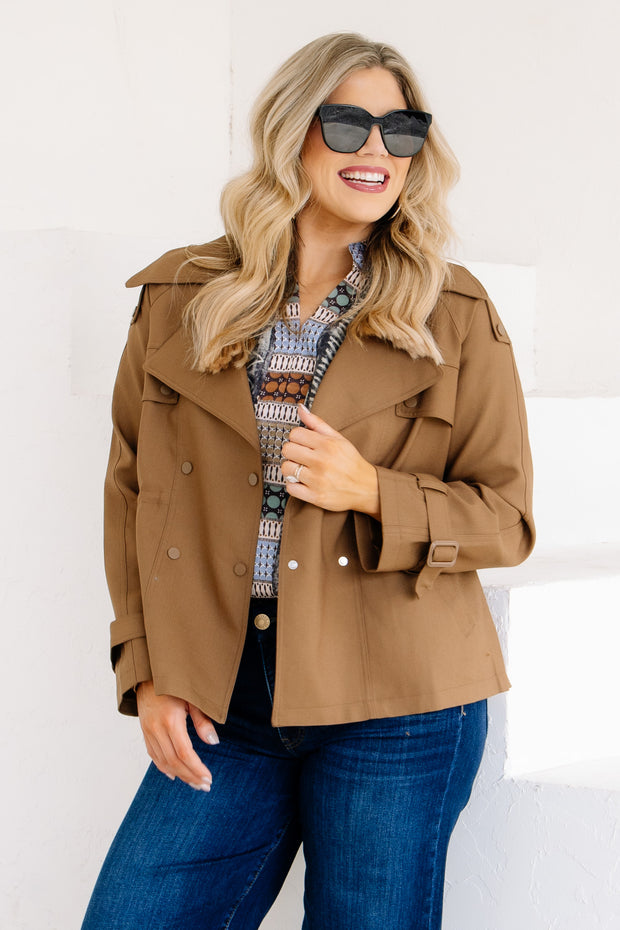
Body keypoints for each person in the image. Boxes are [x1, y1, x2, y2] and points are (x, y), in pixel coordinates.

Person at [82, 32, 535, 930]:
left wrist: (373, 490)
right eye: (349, 123)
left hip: (399, 703)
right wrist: (148, 668)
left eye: (402, 131)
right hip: (223, 691)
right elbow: (132, 494)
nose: (378, 150)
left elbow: (507, 519)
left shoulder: (453, 312)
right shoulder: (179, 297)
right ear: (293, 131)